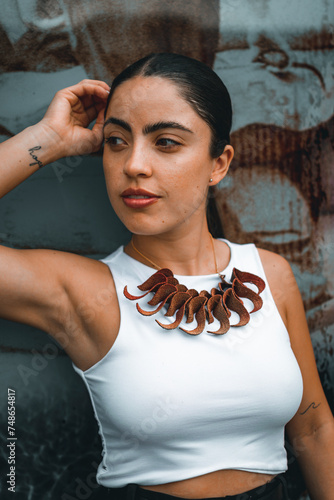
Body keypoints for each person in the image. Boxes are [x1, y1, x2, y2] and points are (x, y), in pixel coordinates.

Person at [0, 53, 333, 500]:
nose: (134, 164)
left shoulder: (269, 274)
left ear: (219, 163)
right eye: (116, 140)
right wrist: (49, 138)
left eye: (167, 142)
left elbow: (313, 429)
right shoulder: (84, 291)